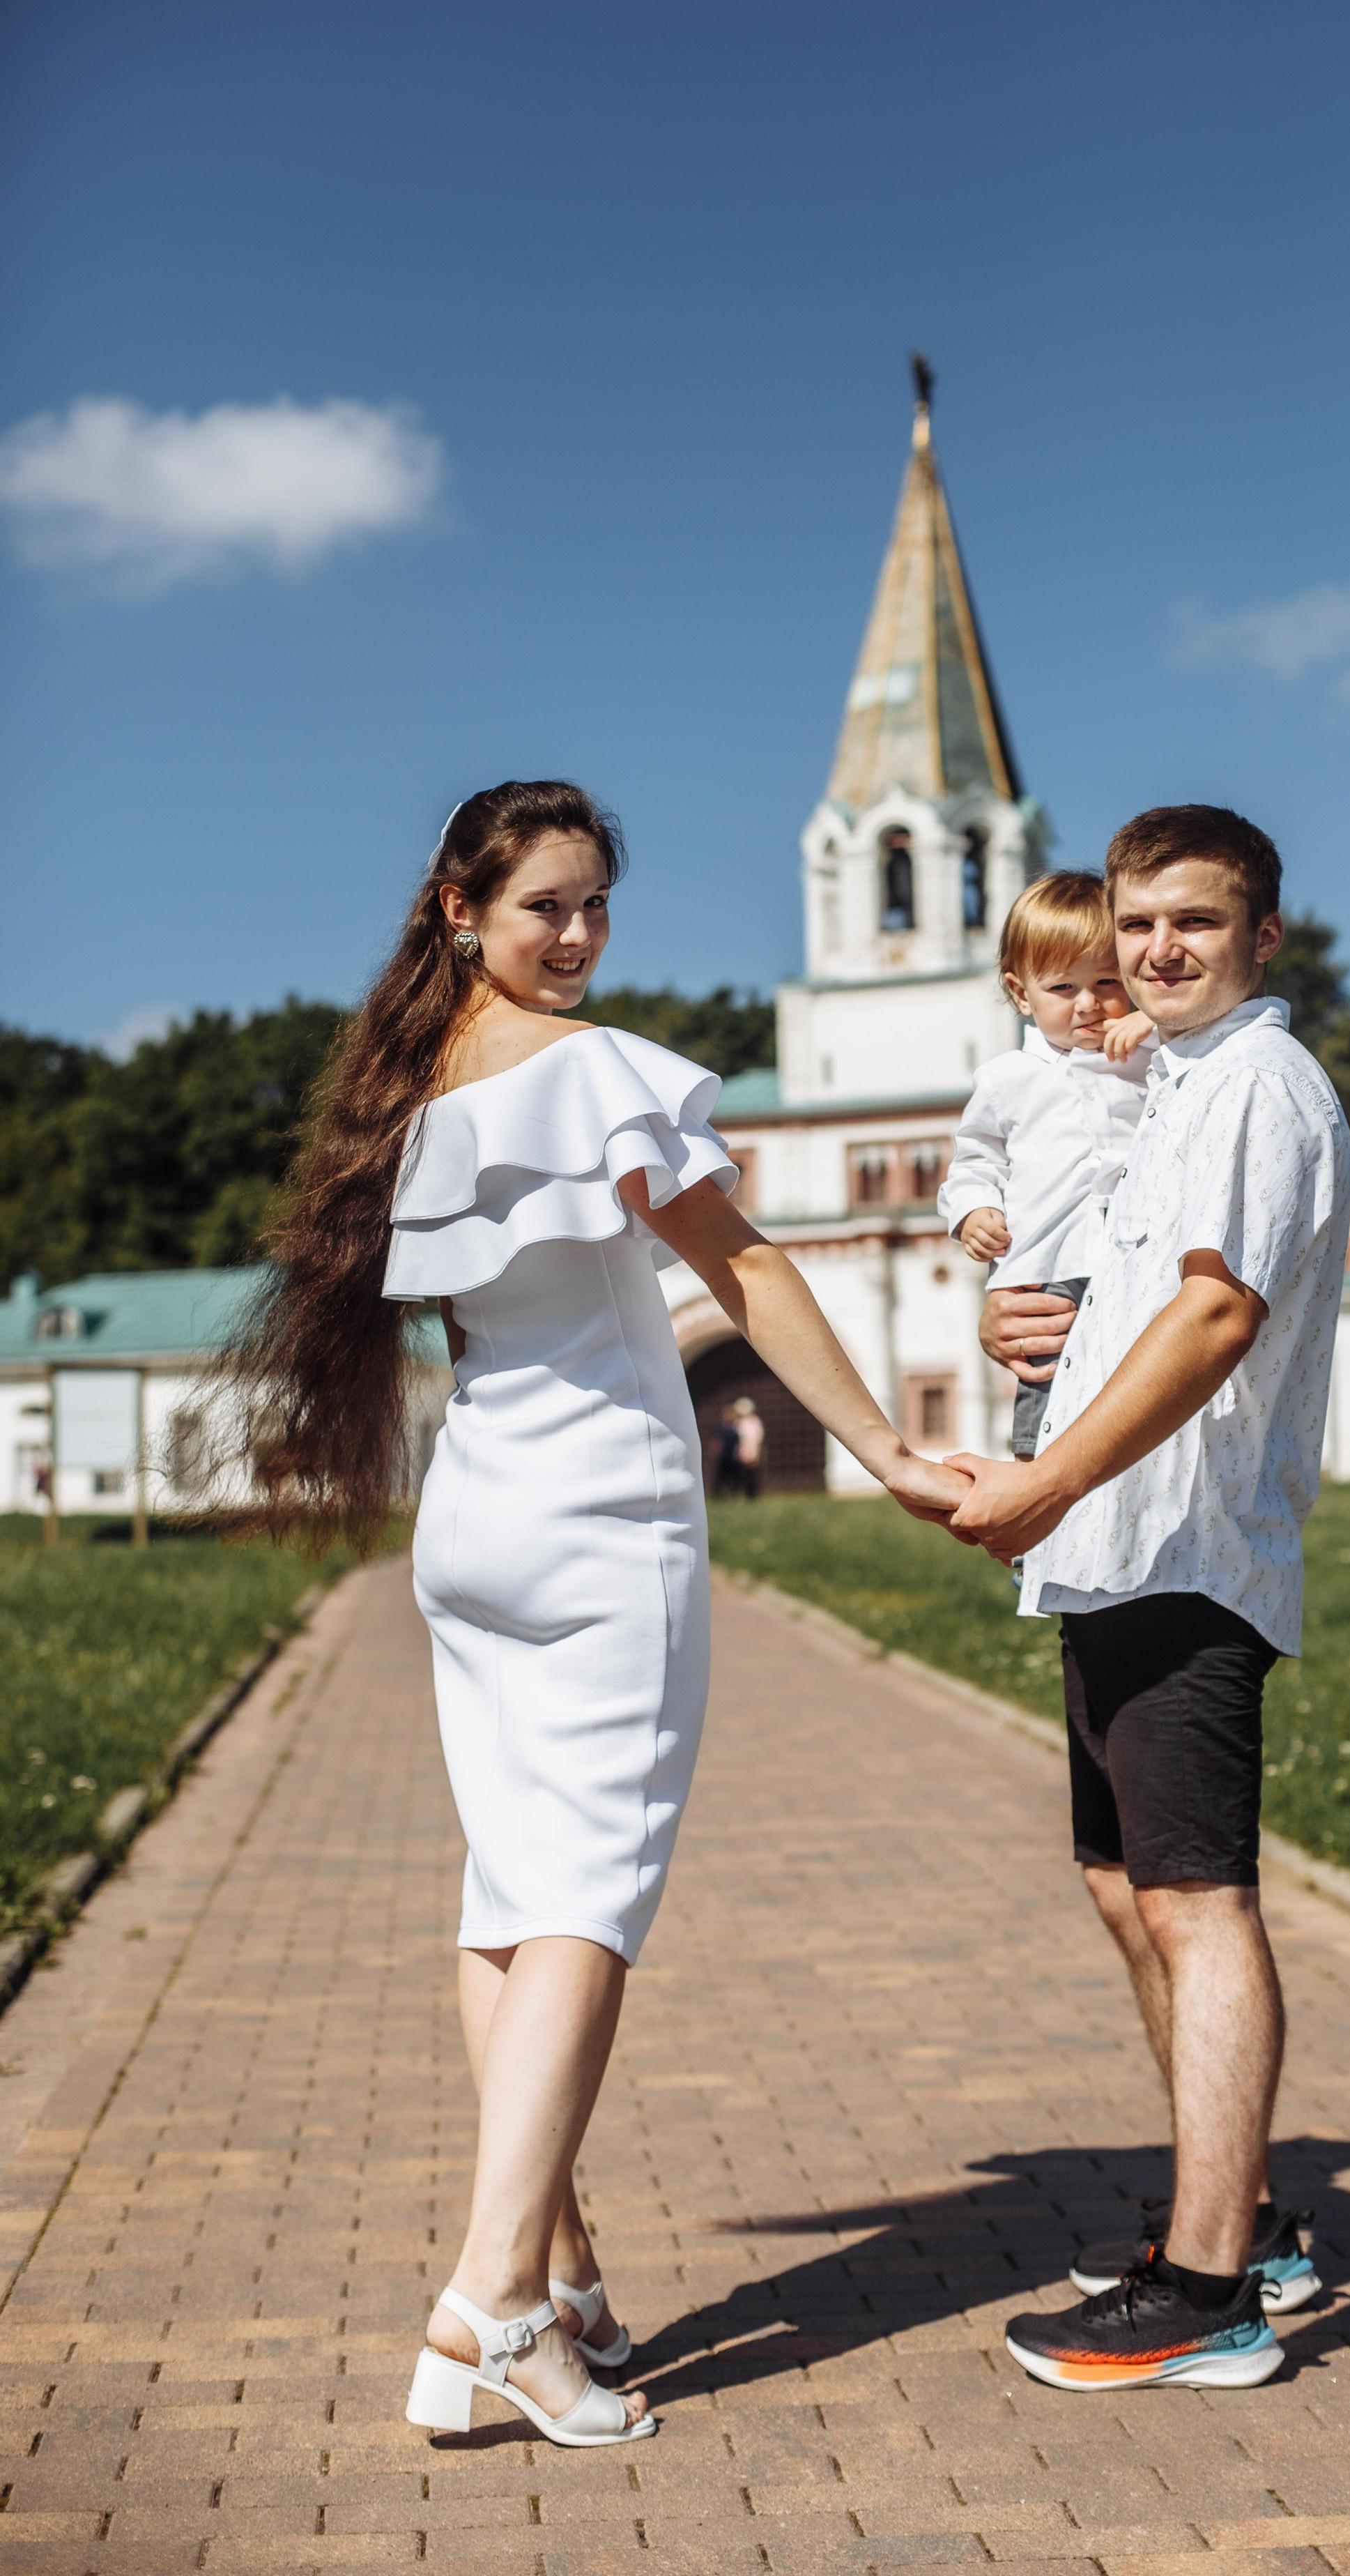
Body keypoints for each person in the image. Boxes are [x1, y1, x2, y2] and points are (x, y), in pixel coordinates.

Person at [233, 779, 967, 2451]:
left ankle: (553, 2273)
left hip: (473, 1521)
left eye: (592, 907)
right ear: (461, 910)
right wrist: (883, 1449)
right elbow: (753, 1268)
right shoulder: (591, 1075)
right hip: (599, 1522)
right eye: (544, 906)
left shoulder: (399, 1095)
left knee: (508, 1899)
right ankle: (489, 2304)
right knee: (586, 1902)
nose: (574, 937)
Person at [946, 804, 1350, 2395]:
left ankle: (1212, 2289)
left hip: (1185, 1543)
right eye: (1134, 924)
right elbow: (1129, 1302)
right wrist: (1022, 1330)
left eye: (1195, 921)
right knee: (1126, 1890)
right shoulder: (1162, 1089)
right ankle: (1235, 2214)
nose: (1156, 949)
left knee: (1196, 1900)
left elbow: (1208, 1318)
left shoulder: (1253, 1082)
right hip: (1111, 1547)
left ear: (1262, 938)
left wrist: (1040, 1480)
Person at [935, 872, 1153, 1461]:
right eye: (1063, 986)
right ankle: (1038, 1494)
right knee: (1049, 1397)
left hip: (1135, 1262)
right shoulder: (1007, 1079)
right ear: (1021, 992)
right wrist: (973, 1210)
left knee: (1140, 1394)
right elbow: (974, 1161)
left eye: (1107, 980)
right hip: (1046, 1271)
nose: (1089, 1003)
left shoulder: (1151, 1057)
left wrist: (1154, 1023)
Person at [731, 1396, 765, 1496]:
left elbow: (759, 1436)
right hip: (742, 1450)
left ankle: (752, 1493)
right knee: (742, 1472)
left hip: (752, 1449)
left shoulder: (755, 1421)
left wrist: (756, 1449)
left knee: (752, 1472)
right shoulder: (738, 1422)